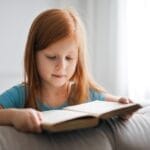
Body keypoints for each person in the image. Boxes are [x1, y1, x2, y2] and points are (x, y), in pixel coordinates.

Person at [0, 8, 133, 133]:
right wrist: (13, 116)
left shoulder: (82, 93)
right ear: (33, 56)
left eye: (69, 58)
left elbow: (116, 103)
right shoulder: (21, 94)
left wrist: (123, 107)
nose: (61, 66)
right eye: (52, 57)